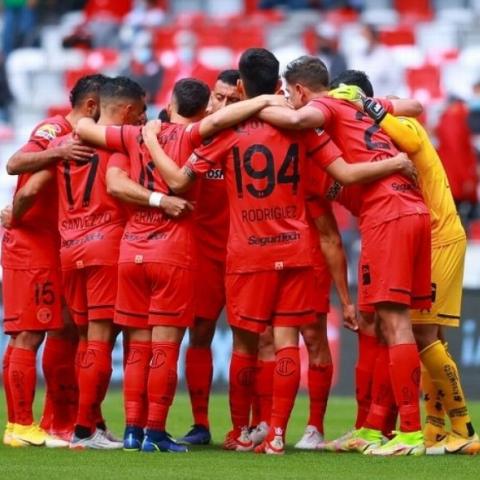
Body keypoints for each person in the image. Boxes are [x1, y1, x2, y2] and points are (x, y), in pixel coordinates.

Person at [140, 48, 418, 455]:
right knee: (288, 341)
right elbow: (341, 174)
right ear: (276, 88)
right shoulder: (304, 131)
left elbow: (180, 182)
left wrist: (151, 140)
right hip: (294, 247)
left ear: (240, 87)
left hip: (247, 251)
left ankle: (240, 431)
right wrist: (394, 162)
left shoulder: (227, 134)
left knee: (247, 344)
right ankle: (275, 435)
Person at [76, 76, 289, 453]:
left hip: (132, 250)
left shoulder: (131, 136)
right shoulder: (196, 138)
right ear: (206, 107)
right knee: (166, 348)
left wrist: (142, 133)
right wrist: (266, 100)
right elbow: (196, 154)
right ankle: (157, 431)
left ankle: (131, 431)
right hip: (175, 253)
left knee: (138, 347)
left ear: (170, 102)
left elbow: (84, 129)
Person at [258, 56, 431, 456]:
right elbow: (413, 107)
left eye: (289, 94)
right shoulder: (353, 106)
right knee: (382, 323)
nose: (288, 101)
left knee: (395, 322)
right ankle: (371, 428)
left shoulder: (324, 107)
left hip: (387, 212)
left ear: (300, 91)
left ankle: (409, 431)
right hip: (410, 209)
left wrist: (258, 105)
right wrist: (367, 104)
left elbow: (302, 122)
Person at [330, 77, 480, 455]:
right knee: (431, 337)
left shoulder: (391, 124)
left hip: (439, 235)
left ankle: (462, 428)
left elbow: (412, 139)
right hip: (432, 234)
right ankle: (436, 429)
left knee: (424, 336)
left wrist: (372, 108)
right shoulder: (377, 134)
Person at [18, 76, 147, 449]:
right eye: (138, 112)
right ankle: (85, 429)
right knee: (100, 341)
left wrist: (15, 215)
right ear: (124, 110)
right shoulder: (121, 146)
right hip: (106, 246)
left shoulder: (61, 145)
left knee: (84, 339)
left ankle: (84, 423)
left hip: (70, 248)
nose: (140, 119)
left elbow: (30, 188)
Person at [2, 74, 107, 447]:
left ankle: (53, 419)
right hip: (32, 244)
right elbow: (16, 165)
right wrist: (15, 214)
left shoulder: (85, 139)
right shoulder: (55, 130)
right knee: (28, 333)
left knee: (62, 327)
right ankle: (19, 425)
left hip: (59, 244)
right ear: (93, 106)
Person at [178, 69, 241, 446]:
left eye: (232, 99)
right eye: (218, 97)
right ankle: (200, 423)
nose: (223, 105)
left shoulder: (253, 134)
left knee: (253, 339)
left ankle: (250, 425)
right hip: (201, 252)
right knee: (199, 334)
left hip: (244, 250)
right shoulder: (191, 134)